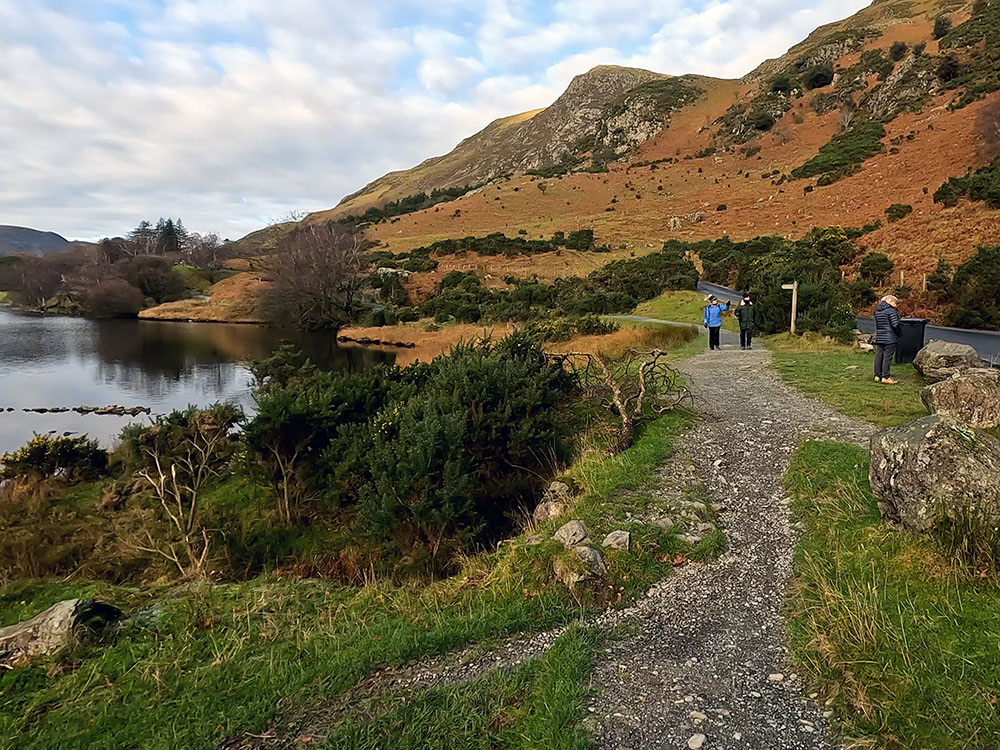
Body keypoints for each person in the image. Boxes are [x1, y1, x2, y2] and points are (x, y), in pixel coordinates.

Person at [874, 294, 901, 384]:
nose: (896, 305)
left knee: (879, 356)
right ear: (890, 301)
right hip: (890, 337)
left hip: (880, 336)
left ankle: (877, 375)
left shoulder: (878, 311)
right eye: (895, 302)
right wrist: (899, 333)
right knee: (887, 357)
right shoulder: (891, 311)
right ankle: (886, 376)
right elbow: (895, 324)